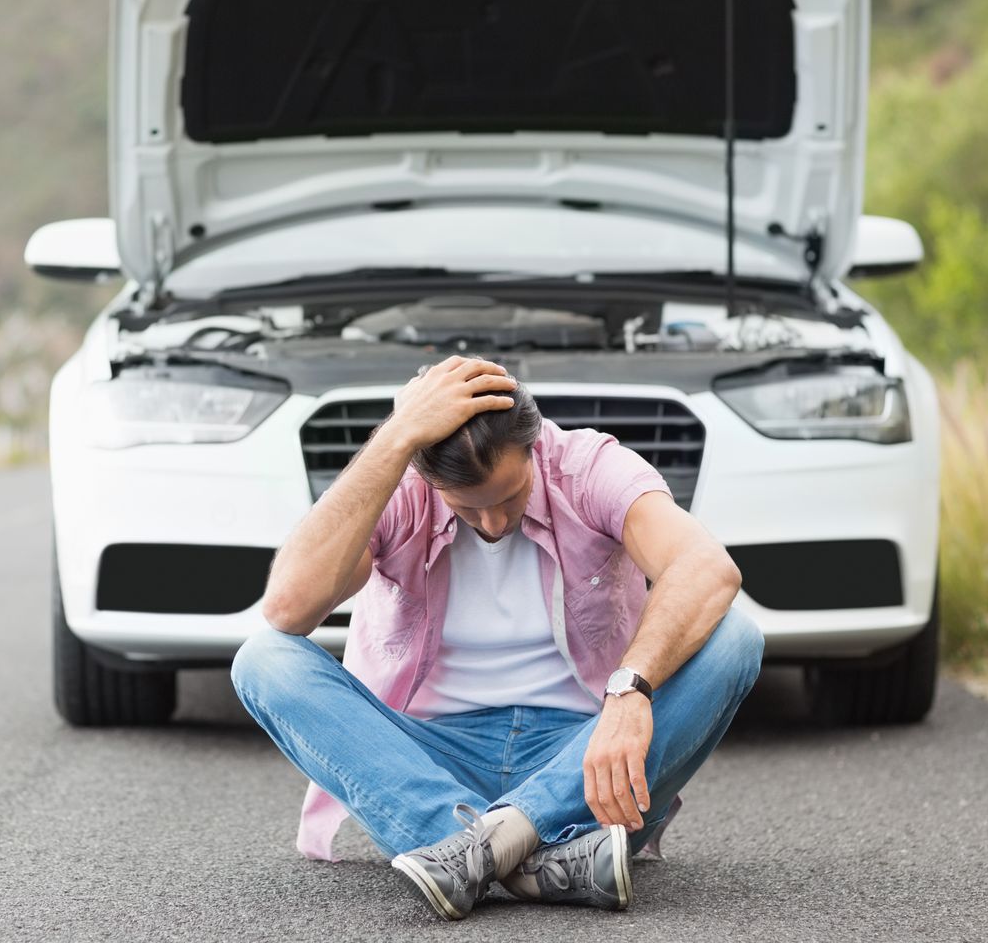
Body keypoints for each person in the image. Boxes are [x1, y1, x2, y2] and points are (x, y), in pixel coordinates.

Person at [230, 354, 764, 920]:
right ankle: (534, 859)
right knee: (265, 659)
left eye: (507, 498)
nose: (490, 524)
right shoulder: (399, 485)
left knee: (735, 636)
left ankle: (472, 849)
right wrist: (393, 440)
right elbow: (288, 608)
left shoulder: (586, 467)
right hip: (433, 764)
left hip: (582, 758)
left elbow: (706, 568)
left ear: (534, 448)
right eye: (465, 506)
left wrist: (630, 690)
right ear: (427, 476)